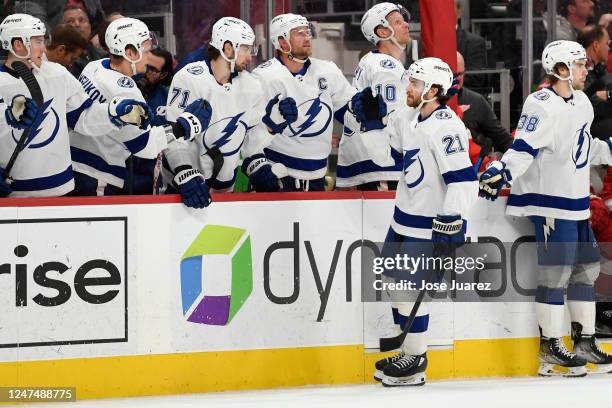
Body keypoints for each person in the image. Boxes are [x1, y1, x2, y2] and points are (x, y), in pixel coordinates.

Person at [479, 40, 612, 376]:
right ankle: (551, 347)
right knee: (556, 274)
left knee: (587, 270)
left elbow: (582, 147)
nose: (587, 69)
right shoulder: (540, 104)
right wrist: (501, 170)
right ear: (562, 70)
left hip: (576, 200)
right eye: (580, 65)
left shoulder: (582, 102)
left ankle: (584, 341)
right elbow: (523, 147)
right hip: (550, 201)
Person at [375, 58, 478, 386]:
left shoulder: (447, 126)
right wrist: (377, 121)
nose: (409, 88)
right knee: (393, 285)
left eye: (416, 84)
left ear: (434, 91)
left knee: (408, 289)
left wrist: (450, 222)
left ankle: (416, 359)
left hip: (426, 224)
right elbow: (399, 160)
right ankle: (406, 349)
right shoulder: (408, 117)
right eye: (410, 82)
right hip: (402, 217)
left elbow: (463, 180)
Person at [0, 13, 148, 197]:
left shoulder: (57, 74)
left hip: (61, 189)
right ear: (18, 45)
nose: (44, 48)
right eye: (37, 41)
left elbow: (82, 117)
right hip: (14, 196)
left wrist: (112, 112)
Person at [161, 17, 298, 206]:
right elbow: (173, 135)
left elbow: (248, 141)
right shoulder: (189, 78)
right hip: (184, 189)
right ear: (227, 48)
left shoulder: (251, 86)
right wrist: (185, 173)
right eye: (246, 49)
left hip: (225, 193)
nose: (250, 57)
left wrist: (271, 125)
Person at [247, 13, 387, 192]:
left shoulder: (327, 70)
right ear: (282, 41)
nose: (307, 37)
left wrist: (363, 110)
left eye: (307, 32)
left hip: (318, 177)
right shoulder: (264, 77)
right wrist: (257, 166)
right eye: (299, 33)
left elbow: (347, 111)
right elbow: (248, 133)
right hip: (279, 177)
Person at [69, 17, 208, 196]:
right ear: (130, 52)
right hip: (97, 174)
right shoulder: (126, 91)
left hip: (73, 165)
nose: (149, 56)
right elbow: (144, 146)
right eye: (146, 49)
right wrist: (183, 126)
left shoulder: (94, 66)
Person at [336, 2, 410, 191]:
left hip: (368, 164)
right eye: (398, 22)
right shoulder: (386, 67)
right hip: (382, 167)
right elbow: (391, 120)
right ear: (383, 32)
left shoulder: (372, 60)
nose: (407, 25)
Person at [455, 51, 513, 152]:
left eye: (460, 74)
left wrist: (522, 154)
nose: (457, 79)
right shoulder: (430, 103)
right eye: (453, 75)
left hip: (473, 165)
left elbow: (502, 138)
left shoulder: (476, 102)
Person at [577, 25, 612, 140]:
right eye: (607, 44)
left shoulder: (598, 69)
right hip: (583, 127)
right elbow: (590, 104)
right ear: (596, 46)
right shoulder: (580, 70)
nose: (609, 48)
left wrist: (608, 95)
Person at [62, 5, 105, 78]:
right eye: (70, 21)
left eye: (81, 20)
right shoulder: (60, 59)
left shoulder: (102, 56)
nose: (77, 24)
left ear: (90, 26)